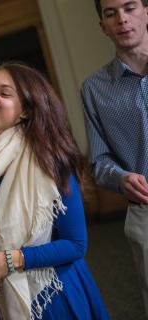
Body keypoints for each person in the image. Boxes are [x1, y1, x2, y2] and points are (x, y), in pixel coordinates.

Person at [0, 62, 109, 319]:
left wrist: (9, 260)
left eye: (4, 93)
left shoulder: (49, 161)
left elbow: (75, 244)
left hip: (51, 293)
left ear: (25, 111)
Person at [81, 0, 148, 316]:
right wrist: (120, 178)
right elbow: (99, 160)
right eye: (111, 13)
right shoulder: (94, 89)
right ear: (103, 26)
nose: (122, 18)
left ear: (146, 12)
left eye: (130, 7)